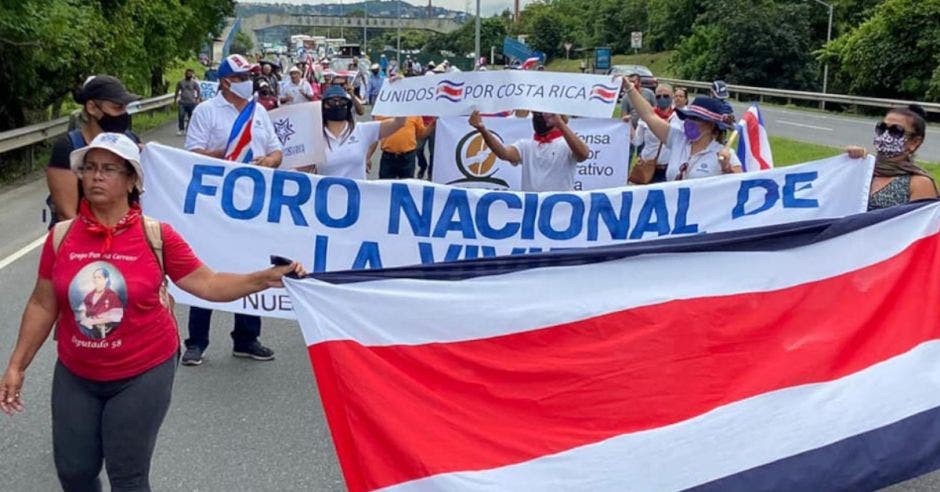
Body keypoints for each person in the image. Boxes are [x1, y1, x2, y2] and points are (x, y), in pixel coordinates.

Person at [0, 132, 305, 491]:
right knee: (74, 471)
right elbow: (42, 302)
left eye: (109, 169)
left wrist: (263, 278)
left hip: (142, 372)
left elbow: (208, 284)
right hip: (77, 372)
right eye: (90, 168)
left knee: (127, 476)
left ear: (132, 180)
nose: (96, 176)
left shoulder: (156, 236)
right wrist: (17, 366)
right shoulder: (62, 237)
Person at [183, 54, 284, 366]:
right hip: (215, 206)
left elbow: (276, 150)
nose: (249, 82)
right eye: (243, 77)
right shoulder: (206, 111)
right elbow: (192, 155)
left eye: (250, 76)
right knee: (208, 270)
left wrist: (268, 161)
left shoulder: (260, 113)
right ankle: (197, 341)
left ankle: (246, 337)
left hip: (253, 205)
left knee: (250, 268)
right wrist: (227, 155)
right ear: (227, 81)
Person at [46, 75, 141, 228]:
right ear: (92, 108)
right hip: (79, 241)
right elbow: (66, 213)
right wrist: (94, 245)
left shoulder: (131, 141)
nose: (123, 114)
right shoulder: (68, 147)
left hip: (122, 237)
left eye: (125, 108)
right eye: (117, 108)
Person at [624, 80, 742, 181]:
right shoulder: (678, 140)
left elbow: (740, 187)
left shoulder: (723, 154)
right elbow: (649, 115)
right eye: (688, 117)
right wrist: (629, 87)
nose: (688, 122)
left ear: (710, 125)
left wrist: (727, 168)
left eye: (695, 118)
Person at [468, 110, 590, 192]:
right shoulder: (525, 145)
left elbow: (583, 154)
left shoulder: (566, 144)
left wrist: (561, 124)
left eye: (542, 114)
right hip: (532, 210)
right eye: (536, 114)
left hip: (560, 210)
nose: (539, 118)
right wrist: (482, 129)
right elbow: (503, 153)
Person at [844, 105, 938, 210]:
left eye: (896, 131)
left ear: (914, 142)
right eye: (882, 128)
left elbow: (922, 223)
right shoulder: (863, 168)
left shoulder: (919, 184)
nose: (885, 135)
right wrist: (847, 162)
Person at [315, 85, 405, 179]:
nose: (337, 104)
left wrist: (400, 89)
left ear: (348, 105)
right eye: (332, 101)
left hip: (357, 193)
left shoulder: (362, 130)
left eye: (342, 101)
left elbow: (399, 123)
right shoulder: (314, 137)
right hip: (326, 193)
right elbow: (304, 172)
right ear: (323, 106)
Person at [631, 83, 677, 184]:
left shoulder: (678, 118)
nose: (662, 98)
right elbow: (637, 142)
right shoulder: (647, 116)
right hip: (646, 166)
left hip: (667, 168)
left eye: (666, 96)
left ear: (672, 96)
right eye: (658, 96)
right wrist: (629, 126)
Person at [374, 114, 435, 179]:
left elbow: (421, 134)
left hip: (408, 158)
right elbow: (374, 135)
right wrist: (368, 157)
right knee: (385, 186)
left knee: (406, 185)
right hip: (388, 157)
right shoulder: (382, 113)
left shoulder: (414, 114)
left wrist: (433, 123)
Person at [620, 72, 656, 161]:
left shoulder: (649, 94)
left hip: (646, 129)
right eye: (629, 81)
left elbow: (656, 109)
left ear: (639, 83)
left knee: (643, 155)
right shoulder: (626, 97)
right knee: (628, 155)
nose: (631, 84)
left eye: (633, 81)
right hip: (632, 130)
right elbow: (623, 114)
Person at [174, 69, 202, 136]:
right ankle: (181, 129)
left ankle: (188, 129)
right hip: (182, 102)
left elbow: (198, 90)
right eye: (188, 73)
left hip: (192, 102)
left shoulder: (194, 83)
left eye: (191, 74)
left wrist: (198, 98)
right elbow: (177, 91)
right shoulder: (180, 82)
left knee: (191, 117)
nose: (189, 75)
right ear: (185, 74)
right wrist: (175, 99)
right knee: (181, 115)